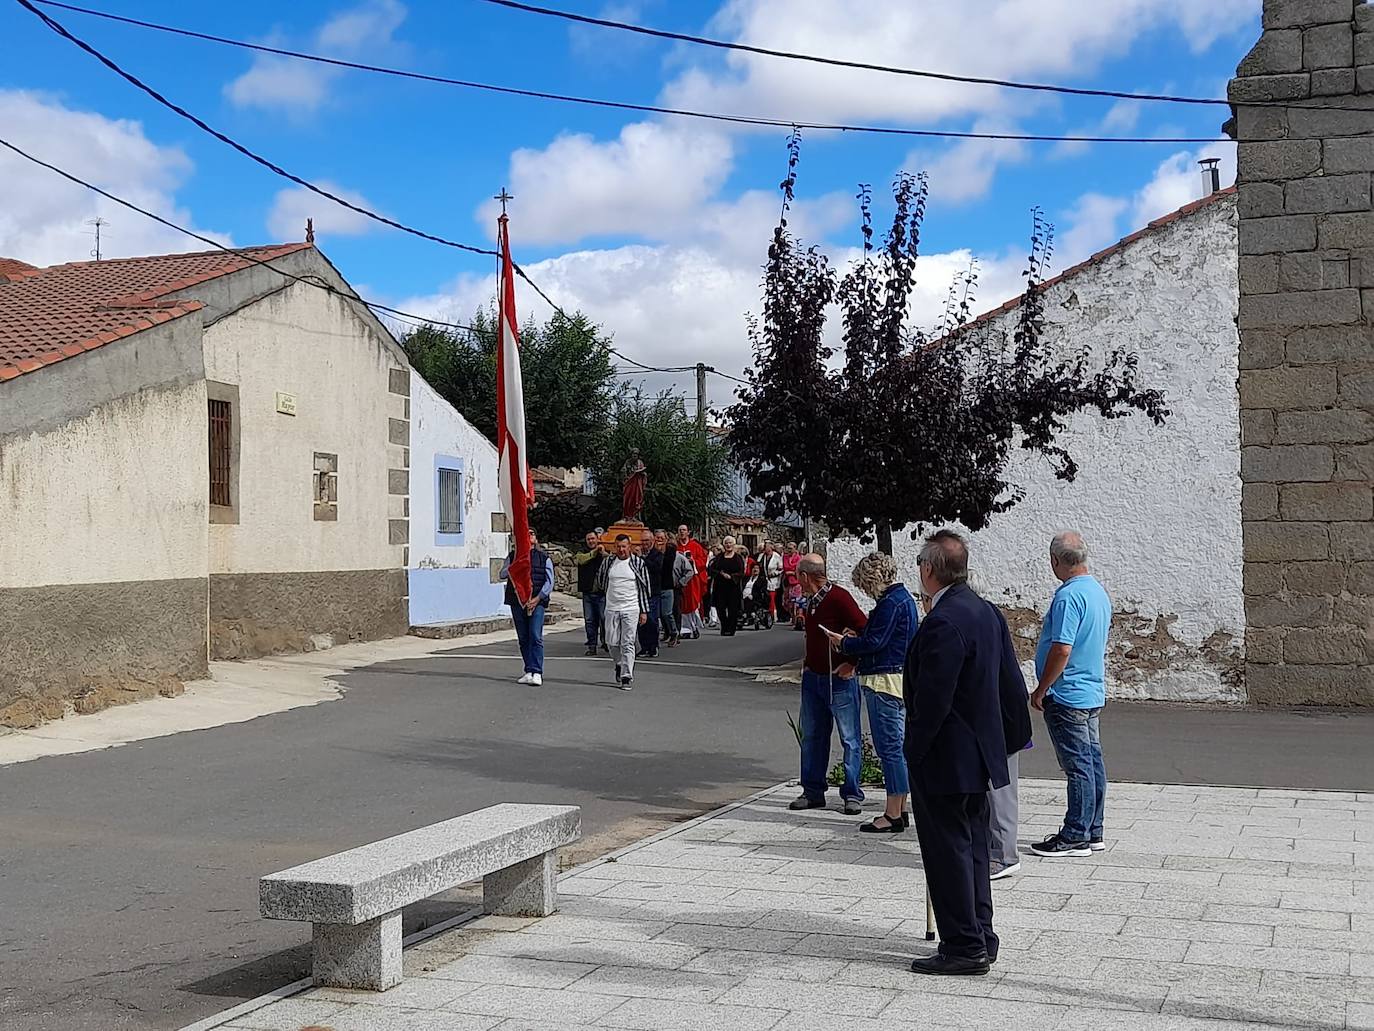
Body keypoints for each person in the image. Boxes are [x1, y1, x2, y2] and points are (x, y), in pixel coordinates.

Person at [904, 529, 1031, 976]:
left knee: (949, 852)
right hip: (978, 753)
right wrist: (1011, 739)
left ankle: (963, 946)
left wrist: (912, 751)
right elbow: (1009, 682)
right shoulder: (985, 611)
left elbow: (932, 701)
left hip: (946, 757)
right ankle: (981, 933)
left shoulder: (943, 622)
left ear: (928, 570)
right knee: (975, 848)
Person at [1029, 531, 1112, 859]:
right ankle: (1094, 829)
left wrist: (1042, 687)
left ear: (1055, 561)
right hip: (1091, 689)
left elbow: (1062, 648)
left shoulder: (1068, 597)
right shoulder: (1097, 592)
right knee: (1092, 762)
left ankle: (1075, 832)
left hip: (1068, 693)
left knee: (1078, 765)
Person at [824, 552, 919, 834]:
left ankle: (892, 814)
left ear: (871, 579)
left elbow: (876, 641)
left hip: (883, 682)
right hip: (897, 679)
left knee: (889, 749)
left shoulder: (890, 602)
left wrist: (844, 643)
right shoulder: (904, 600)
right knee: (897, 748)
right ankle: (899, 808)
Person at [789, 553, 868, 815]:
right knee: (812, 736)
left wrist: (853, 662)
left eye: (798, 576)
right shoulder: (811, 601)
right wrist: (808, 660)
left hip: (839, 679)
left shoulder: (839, 597)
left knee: (849, 738)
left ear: (804, 576)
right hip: (814, 677)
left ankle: (852, 793)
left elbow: (864, 629)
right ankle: (812, 791)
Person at [594, 533, 651, 690]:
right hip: (612, 607)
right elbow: (601, 581)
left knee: (627, 642)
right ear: (614, 547)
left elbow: (644, 589)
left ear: (629, 547)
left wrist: (644, 611)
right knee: (611, 642)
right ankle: (619, 664)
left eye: (624, 546)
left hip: (631, 608)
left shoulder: (638, 563)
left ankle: (626, 675)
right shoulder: (608, 563)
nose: (621, 550)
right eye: (618, 547)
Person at [499, 529, 555, 687]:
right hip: (517, 601)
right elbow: (502, 574)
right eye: (526, 534)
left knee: (535, 636)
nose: (528, 536)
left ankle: (537, 671)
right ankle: (529, 669)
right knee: (523, 637)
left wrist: (537, 599)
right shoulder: (512, 556)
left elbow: (549, 582)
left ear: (535, 539)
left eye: (531, 534)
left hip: (536, 601)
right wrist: (514, 565)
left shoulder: (544, 559)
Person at [574, 529, 608, 656]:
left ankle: (606, 642)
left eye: (593, 539)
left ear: (597, 539)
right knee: (589, 620)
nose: (591, 541)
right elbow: (581, 560)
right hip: (587, 593)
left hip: (602, 593)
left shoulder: (603, 552)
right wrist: (594, 552)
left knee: (604, 619)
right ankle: (591, 645)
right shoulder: (582, 551)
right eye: (588, 539)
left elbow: (611, 560)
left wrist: (603, 552)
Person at [676, 525, 708, 639]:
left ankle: (694, 627)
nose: (682, 532)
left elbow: (703, 561)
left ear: (688, 532)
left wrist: (692, 561)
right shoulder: (676, 546)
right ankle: (685, 629)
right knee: (681, 604)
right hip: (680, 579)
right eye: (680, 530)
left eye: (684, 530)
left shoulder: (695, 546)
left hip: (692, 579)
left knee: (692, 602)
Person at [711, 536, 747, 635]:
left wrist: (731, 577)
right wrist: (721, 574)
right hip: (720, 587)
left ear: (734, 545)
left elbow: (741, 572)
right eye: (726, 543)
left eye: (730, 543)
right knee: (720, 608)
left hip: (733, 587)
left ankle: (731, 629)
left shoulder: (737, 558)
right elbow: (712, 569)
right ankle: (724, 626)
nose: (728, 545)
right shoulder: (719, 557)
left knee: (733, 609)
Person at [639, 532, 665, 658]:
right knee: (641, 621)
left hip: (652, 592)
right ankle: (644, 647)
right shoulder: (637, 554)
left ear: (652, 541)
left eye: (646, 540)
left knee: (652, 620)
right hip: (639, 592)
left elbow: (657, 568)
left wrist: (642, 559)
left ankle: (653, 646)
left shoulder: (658, 554)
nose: (644, 543)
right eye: (642, 541)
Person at [656, 529, 682, 646]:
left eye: (661, 538)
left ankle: (674, 632)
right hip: (656, 586)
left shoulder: (670, 550)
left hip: (667, 586)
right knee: (660, 614)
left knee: (667, 612)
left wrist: (660, 551)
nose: (659, 540)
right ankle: (666, 633)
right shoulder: (653, 551)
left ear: (666, 539)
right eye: (657, 538)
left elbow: (666, 564)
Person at [757, 541, 783, 628]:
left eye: (767, 547)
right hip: (764, 580)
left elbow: (781, 569)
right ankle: (766, 615)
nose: (766, 549)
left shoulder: (777, 556)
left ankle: (773, 616)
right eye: (765, 547)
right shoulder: (762, 556)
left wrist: (775, 573)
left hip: (773, 580)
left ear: (771, 548)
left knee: (772, 598)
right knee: (765, 597)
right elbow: (757, 565)